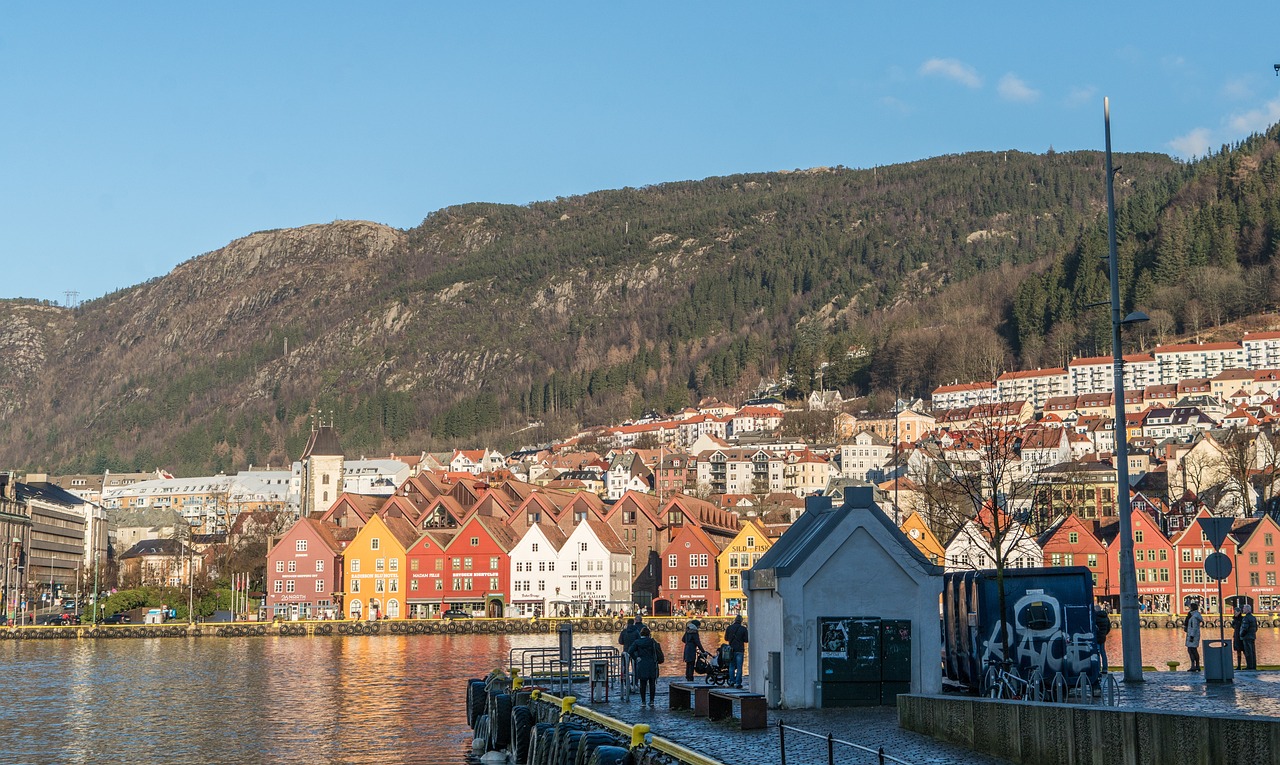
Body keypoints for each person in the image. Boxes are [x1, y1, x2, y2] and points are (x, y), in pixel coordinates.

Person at [627, 625, 663, 707]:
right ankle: (652, 701)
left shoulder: (637, 642)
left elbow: (630, 651)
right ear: (649, 634)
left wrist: (636, 658)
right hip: (652, 663)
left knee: (642, 684)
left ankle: (643, 702)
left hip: (642, 663)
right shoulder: (652, 642)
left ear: (641, 634)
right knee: (652, 683)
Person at [619, 614, 644, 690]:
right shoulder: (636, 631)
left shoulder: (624, 631)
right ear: (633, 623)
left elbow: (620, 641)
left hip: (625, 652)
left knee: (625, 667)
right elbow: (639, 641)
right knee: (635, 668)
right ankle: (635, 683)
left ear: (627, 623)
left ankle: (625, 683)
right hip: (634, 652)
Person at [724, 614, 749, 688]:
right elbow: (746, 640)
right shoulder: (743, 629)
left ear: (735, 620)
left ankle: (732, 681)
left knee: (731, 666)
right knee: (739, 667)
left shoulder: (729, 628)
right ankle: (738, 683)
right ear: (741, 621)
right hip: (740, 650)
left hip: (731, 650)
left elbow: (726, 638)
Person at [1092, 605, 1111, 674]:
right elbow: (1109, 627)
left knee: (1097, 653)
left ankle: (1098, 668)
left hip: (1096, 637)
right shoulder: (1106, 617)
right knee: (1103, 653)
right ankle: (1105, 668)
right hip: (1103, 637)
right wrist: (1104, 634)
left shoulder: (1095, 617)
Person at [1185, 602, 1203, 672]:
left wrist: (1192, 636)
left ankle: (1194, 665)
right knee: (1192, 649)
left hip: (1192, 635)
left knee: (1192, 649)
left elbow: (1194, 627)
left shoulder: (1194, 617)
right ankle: (1196, 665)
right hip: (1192, 634)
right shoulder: (1194, 615)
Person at [1240, 603, 1258, 671]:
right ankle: (1253, 665)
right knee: (1252, 651)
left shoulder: (1246, 618)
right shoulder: (1253, 617)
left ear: (1247, 610)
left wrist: (1241, 635)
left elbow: (1245, 628)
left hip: (1247, 637)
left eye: (1244, 608)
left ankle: (1249, 666)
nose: (1243, 609)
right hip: (1252, 636)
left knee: (1248, 652)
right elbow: (1256, 628)